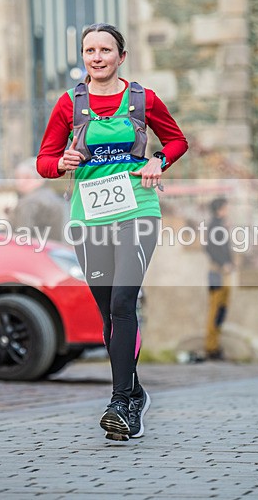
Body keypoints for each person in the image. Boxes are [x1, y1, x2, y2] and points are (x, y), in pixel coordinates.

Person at [37, 23, 187, 441]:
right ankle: (135, 391)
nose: (97, 57)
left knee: (124, 300)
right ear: (83, 57)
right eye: (89, 50)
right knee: (107, 313)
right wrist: (61, 163)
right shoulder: (69, 104)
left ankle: (120, 403)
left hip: (137, 208)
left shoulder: (143, 99)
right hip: (89, 215)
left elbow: (177, 141)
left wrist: (158, 160)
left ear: (121, 56)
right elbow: (44, 160)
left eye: (105, 50)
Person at [10, 157, 68, 243]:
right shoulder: (53, 196)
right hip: (52, 250)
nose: (20, 182)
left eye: (27, 178)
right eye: (17, 177)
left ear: (40, 179)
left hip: (33, 252)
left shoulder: (30, 202)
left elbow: (20, 237)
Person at [204, 197, 234, 361]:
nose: (227, 210)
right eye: (225, 207)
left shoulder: (221, 225)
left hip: (222, 273)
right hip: (217, 272)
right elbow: (210, 248)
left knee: (221, 310)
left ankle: (215, 346)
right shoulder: (214, 226)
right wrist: (224, 263)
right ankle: (211, 347)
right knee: (215, 310)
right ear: (219, 209)